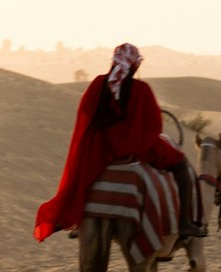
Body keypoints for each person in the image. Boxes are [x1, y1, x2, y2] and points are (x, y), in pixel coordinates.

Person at [34, 43, 207, 242]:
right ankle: (185, 222)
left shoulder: (98, 84)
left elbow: (85, 115)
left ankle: (77, 219)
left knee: (83, 174)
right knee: (181, 164)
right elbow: (154, 128)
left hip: (101, 148)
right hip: (136, 147)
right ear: (134, 65)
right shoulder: (141, 89)